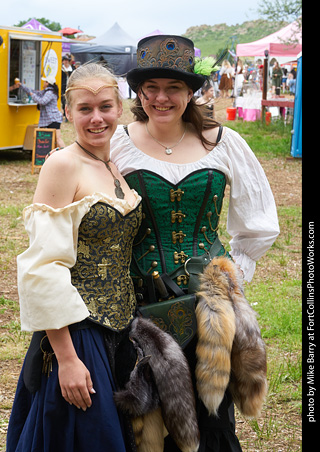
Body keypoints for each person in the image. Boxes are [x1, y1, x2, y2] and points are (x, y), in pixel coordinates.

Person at [110, 34, 280, 452]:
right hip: (141, 309)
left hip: (211, 311)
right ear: (139, 92)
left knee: (212, 418)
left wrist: (230, 274)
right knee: (145, 420)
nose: (161, 98)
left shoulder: (224, 144)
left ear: (191, 92)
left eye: (173, 88)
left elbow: (258, 225)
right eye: (151, 88)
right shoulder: (116, 145)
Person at [6, 62, 143, 452]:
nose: (96, 118)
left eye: (105, 106)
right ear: (68, 113)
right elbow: (42, 267)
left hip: (118, 332)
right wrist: (66, 357)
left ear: (119, 108)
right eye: (85, 109)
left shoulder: (112, 165)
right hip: (78, 334)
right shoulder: (62, 164)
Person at [18, 75, 65, 148]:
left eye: (44, 82)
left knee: (57, 139)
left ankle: (65, 154)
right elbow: (34, 92)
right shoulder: (46, 92)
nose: (43, 83)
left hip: (53, 119)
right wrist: (21, 86)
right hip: (49, 120)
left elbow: (42, 101)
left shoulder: (50, 93)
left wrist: (32, 95)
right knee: (52, 139)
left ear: (48, 83)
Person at [61, 54, 73, 120]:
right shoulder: (61, 69)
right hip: (63, 87)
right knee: (64, 102)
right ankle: (66, 116)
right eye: (65, 60)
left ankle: (70, 115)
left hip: (70, 87)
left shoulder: (71, 69)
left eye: (67, 60)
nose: (66, 62)